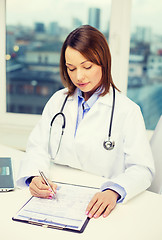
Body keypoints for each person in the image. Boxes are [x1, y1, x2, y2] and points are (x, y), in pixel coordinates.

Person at [17, 25, 155, 219]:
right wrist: (34, 177)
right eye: (71, 68)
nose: (78, 76)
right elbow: (37, 147)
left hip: (100, 204)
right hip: (56, 199)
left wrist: (114, 191)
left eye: (87, 66)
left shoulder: (128, 111)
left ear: (103, 63)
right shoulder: (58, 101)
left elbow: (142, 169)